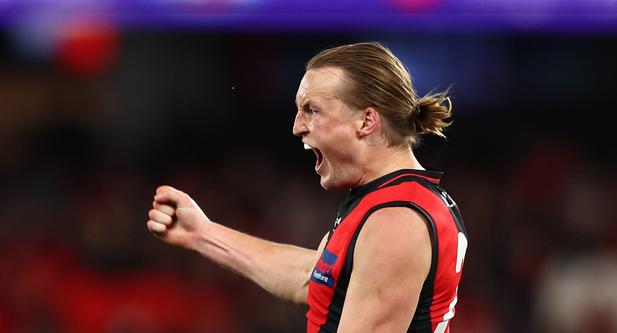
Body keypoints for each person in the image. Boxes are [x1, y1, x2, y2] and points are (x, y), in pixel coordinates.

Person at [147, 42, 468, 333]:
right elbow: (314, 276)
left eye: (312, 110)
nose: (297, 126)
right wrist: (203, 234)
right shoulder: (392, 200)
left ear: (366, 121)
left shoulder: (396, 220)